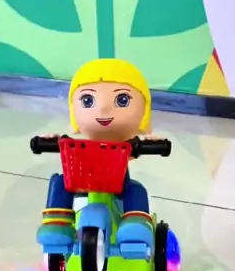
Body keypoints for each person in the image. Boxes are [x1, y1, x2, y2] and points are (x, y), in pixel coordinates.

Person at [37, 58, 153, 253]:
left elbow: (138, 146)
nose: (103, 109)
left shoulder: (128, 145)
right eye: (88, 101)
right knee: (60, 182)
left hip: (118, 182)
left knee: (136, 191)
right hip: (81, 179)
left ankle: (135, 223)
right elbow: (65, 143)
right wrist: (53, 140)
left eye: (122, 100)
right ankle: (57, 223)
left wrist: (150, 143)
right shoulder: (80, 143)